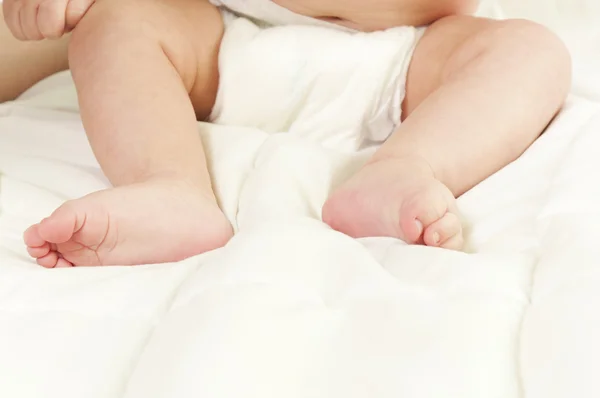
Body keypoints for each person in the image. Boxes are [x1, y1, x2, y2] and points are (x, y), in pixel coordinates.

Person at [1, 0, 571, 267]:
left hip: (407, 55)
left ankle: (406, 167)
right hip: (219, 39)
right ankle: (170, 185)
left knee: (529, 52)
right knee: (114, 25)